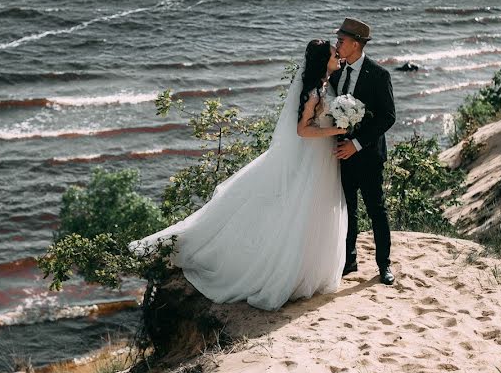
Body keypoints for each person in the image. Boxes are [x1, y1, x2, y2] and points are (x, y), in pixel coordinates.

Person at [130, 40, 347, 311]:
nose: (337, 55)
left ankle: (313, 269)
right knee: (304, 207)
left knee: (317, 208)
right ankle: (293, 270)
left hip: (323, 158)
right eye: (333, 54)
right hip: (314, 156)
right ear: (321, 60)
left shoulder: (328, 85)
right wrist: (337, 131)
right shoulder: (314, 92)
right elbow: (302, 130)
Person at [329, 18, 397, 285]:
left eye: (341, 41)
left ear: (355, 44)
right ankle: (349, 259)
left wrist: (356, 144)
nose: (337, 44)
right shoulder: (336, 73)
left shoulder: (379, 75)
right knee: (347, 209)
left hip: (368, 156)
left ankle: (384, 265)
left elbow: (388, 117)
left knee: (376, 209)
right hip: (341, 156)